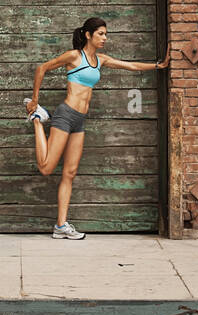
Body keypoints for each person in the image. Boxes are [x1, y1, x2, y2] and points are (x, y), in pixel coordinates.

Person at [25, 15, 168, 239]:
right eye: (100, 34)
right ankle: (37, 118)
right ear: (88, 35)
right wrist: (34, 99)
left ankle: (61, 225)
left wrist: (159, 65)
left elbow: (130, 66)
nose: (105, 38)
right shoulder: (74, 56)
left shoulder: (100, 60)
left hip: (79, 120)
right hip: (65, 115)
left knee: (69, 173)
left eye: (105, 34)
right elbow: (42, 68)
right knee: (46, 168)